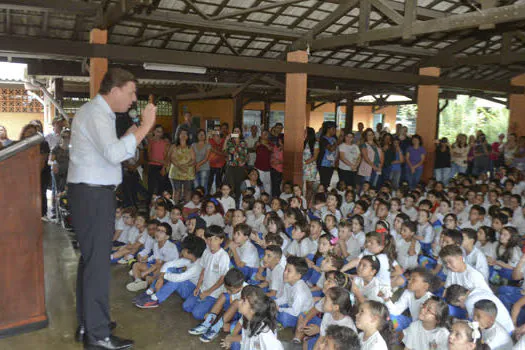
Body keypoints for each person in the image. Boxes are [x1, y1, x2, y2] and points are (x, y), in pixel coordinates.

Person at [67, 68, 156, 349]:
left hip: (91, 193)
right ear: (115, 90)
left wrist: (132, 133)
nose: (133, 100)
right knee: (97, 266)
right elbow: (115, 154)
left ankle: (88, 324)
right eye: (131, 93)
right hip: (92, 195)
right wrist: (145, 128)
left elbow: (116, 152)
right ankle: (98, 335)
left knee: (91, 262)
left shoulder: (100, 114)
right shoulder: (95, 113)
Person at [20, 123, 51, 220]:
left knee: (40, 193)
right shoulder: (19, 145)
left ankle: (42, 214)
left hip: (40, 174)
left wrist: (34, 175)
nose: (31, 134)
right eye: (29, 132)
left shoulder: (43, 144)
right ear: (24, 133)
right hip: (24, 175)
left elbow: (42, 162)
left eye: (34, 133)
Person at [165, 129, 195, 203]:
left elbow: (194, 159)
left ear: (188, 136)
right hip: (176, 172)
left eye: (185, 134)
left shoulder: (190, 147)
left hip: (188, 171)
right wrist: (180, 166)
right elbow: (170, 157)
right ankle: (175, 207)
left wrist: (186, 166)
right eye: (182, 134)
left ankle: (186, 207)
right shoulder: (174, 146)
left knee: (188, 190)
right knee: (176, 190)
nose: (183, 135)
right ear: (178, 135)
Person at [225, 126, 248, 204]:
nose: (236, 132)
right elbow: (223, 150)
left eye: (238, 131)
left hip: (240, 167)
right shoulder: (229, 142)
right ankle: (230, 203)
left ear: (240, 133)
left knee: (238, 186)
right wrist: (226, 139)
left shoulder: (243, 142)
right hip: (231, 166)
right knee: (230, 186)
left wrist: (244, 162)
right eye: (235, 131)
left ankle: (237, 203)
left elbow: (246, 154)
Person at [147, 125, 169, 196]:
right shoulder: (150, 142)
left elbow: (166, 157)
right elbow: (149, 157)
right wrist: (160, 161)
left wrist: (163, 168)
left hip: (161, 167)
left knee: (161, 188)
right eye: (157, 131)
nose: (159, 134)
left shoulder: (165, 143)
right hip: (152, 167)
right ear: (154, 132)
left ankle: (160, 205)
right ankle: (149, 205)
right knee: (151, 188)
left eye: (161, 132)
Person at [317, 121, 338, 189]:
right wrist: (337, 143)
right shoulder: (323, 139)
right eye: (333, 129)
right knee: (323, 183)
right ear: (328, 129)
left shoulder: (334, 138)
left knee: (328, 183)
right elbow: (331, 149)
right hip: (324, 164)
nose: (335, 131)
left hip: (331, 164)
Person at [303, 127, 319, 204]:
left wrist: (304, 163)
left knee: (309, 187)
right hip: (303, 166)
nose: (303, 133)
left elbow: (315, 157)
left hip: (310, 167)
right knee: (304, 186)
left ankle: (307, 203)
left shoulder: (315, 143)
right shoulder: (303, 142)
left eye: (305, 132)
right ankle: (303, 202)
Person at [192, 129, 211, 194]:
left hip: (205, 168)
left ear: (205, 136)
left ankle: (204, 201)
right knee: (196, 186)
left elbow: (206, 158)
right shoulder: (193, 145)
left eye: (203, 134)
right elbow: (193, 156)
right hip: (194, 167)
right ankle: (197, 202)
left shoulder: (208, 145)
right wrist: (195, 165)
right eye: (200, 134)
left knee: (203, 186)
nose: (201, 136)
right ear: (197, 135)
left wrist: (198, 165)